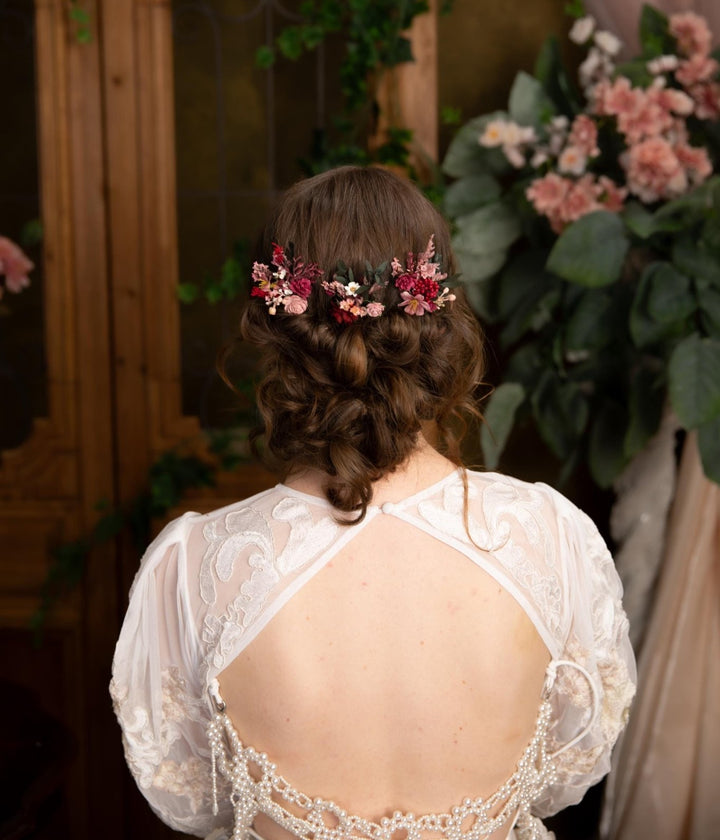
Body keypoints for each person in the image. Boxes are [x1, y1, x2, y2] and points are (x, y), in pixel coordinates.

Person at [111, 166, 636, 840]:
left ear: (273, 332)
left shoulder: (193, 567)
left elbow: (190, 799)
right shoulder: (552, 538)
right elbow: (569, 771)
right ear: (440, 316)